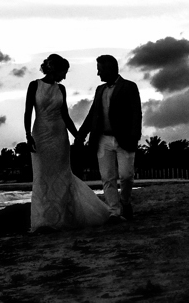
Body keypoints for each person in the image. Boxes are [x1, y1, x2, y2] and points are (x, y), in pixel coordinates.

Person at [24, 54, 112, 232]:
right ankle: (43, 221)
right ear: (54, 69)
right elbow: (27, 113)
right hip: (40, 135)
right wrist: (28, 135)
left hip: (59, 137)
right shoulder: (34, 85)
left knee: (62, 176)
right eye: (63, 72)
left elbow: (65, 116)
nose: (64, 77)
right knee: (41, 177)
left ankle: (62, 218)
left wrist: (78, 136)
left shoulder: (61, 89)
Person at [77, 55, 142, 220]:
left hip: (125, 139)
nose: (98, 74)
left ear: (110, 69)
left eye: (100, 70)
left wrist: (135, 136)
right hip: (103, 140)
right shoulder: (100, 90)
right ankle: (114, 212)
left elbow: (136, 113)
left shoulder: (129, 87)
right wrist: (81, 135)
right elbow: (92, 114)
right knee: (107, 177)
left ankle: (125, 201)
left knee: (126, 175)